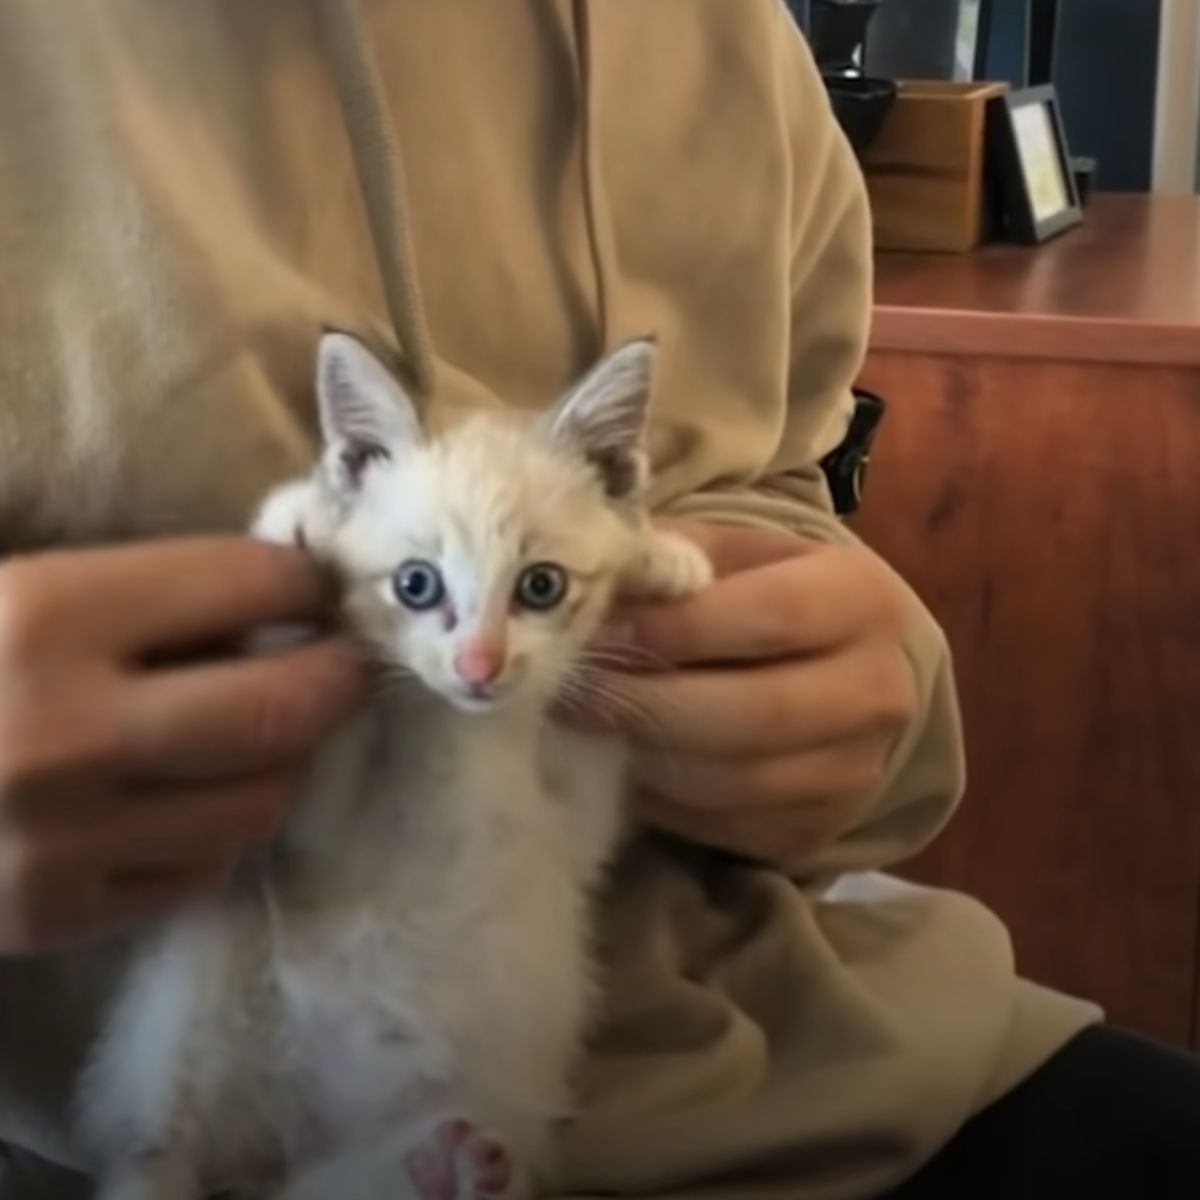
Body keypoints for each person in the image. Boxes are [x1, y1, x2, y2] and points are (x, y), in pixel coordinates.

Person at [0, 2, 1196, 1197]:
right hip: (145, 1105)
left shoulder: (735, 41)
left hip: (769, 1040)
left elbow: (781, 475)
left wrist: (867, 693)